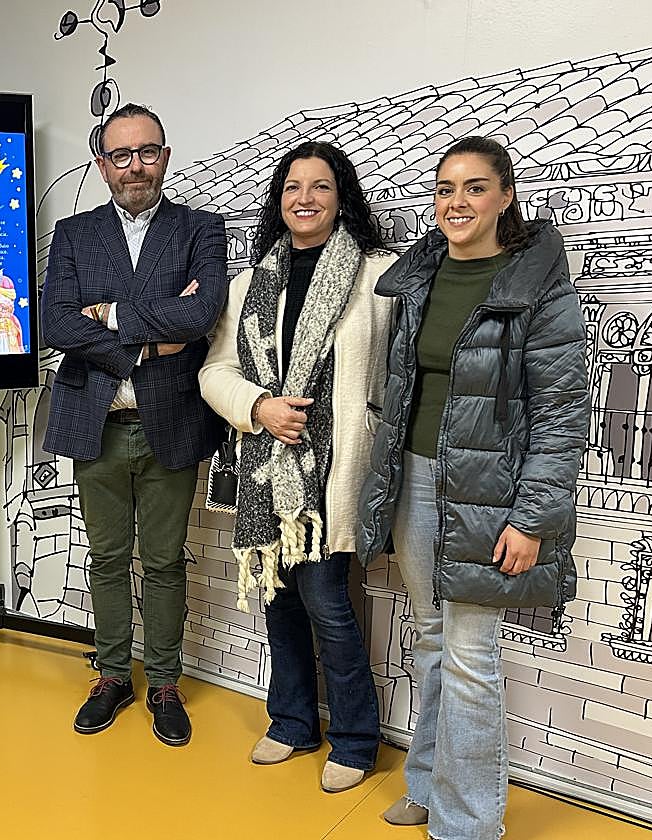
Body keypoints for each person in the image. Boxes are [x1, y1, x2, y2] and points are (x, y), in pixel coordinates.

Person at [357, 136, 589, 839]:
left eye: (475, 187)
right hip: (415, 479)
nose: (456, 202)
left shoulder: (538, 285)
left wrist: (533, 518)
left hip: (490, 494)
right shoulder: (420, 275)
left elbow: (561, 413)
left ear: (506, 196)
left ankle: (468, 824)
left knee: (469, 656)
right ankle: (429, 785)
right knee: (433, 638)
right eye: (445, 188)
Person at [199, 141, 395, 792]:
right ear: (278, 200)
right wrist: (260, 407)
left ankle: (356, 741)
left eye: (319, 186)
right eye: (292, 187)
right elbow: (215, 370)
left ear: (342, 198)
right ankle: (290, 722)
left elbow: (396, 373)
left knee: (328, 605)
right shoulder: (249, 284)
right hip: (265, 469)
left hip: (335, 473)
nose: (304, 198)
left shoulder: (377, 276)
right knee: (278, 602)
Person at [42, 103, 227, 747]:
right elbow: (56, 322)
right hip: (96, 422)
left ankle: (166, 683)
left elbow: (201, 314)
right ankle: (114, 675)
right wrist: (147, 345)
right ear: (103, 165)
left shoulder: (200, 229)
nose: (135, 166)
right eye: (121, 155)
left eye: (147, 152)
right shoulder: (74, 234)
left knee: (165, 561)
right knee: (107, 558)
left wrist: (109, 313)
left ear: (165, 157)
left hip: (169, 423)